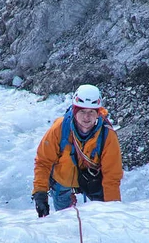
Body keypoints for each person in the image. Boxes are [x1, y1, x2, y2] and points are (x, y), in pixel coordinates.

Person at [33, 84, 122, 217]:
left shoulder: (107, 136)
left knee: (101, 217)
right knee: (65, 220)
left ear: (98, 113)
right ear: (75, 111)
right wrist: (40, 194)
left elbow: (112, 176)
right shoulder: (59, 129)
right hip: (62, 181)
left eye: (91, 112)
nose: (86, 117)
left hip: (93, 182)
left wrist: (111, 211)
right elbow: (43, 162)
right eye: (82, 111)